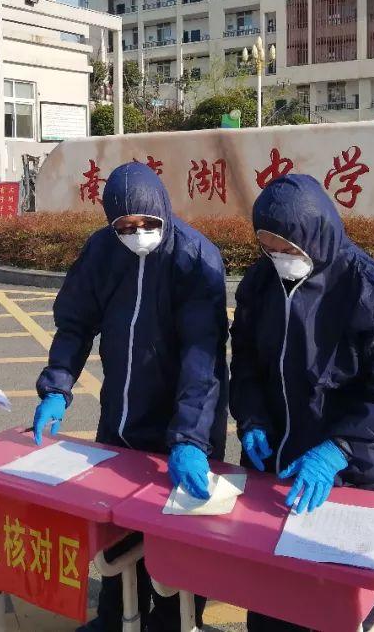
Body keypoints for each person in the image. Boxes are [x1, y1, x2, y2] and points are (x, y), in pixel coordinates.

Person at [33, 161, 229, 632]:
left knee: (176, 542)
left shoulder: (195, 258)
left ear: (163, 210)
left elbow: (203, 358)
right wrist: (57, 386)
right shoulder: (102, 252)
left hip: (184, 427)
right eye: (124, 226)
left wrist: (189, 438)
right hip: (120, 419)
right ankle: (114, 618)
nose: (136, 233)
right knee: (116, 530)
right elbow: (76, 324)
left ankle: (174, 623)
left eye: (146, 224)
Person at [229, 174, 374, 632]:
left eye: (288, 248)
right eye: (268, 247)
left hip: (356, 472)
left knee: (354, 604)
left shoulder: (373, 290)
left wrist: (338, 448)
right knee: (276, 594)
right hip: (278, 470)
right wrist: (252, 417)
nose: (279, 258)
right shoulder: (261, 282)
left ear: (315, 234)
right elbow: (246, 361)